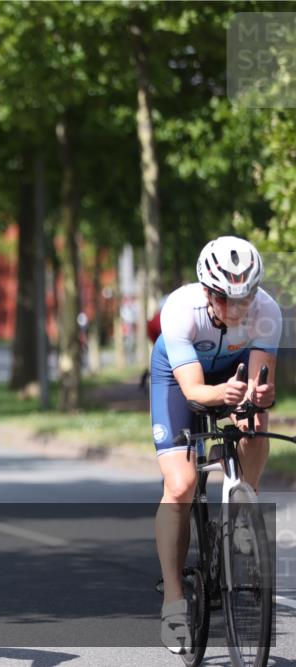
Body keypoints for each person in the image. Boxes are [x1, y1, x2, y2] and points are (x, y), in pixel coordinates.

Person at [150, 236, 280, 654]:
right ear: (208, 291)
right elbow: (193, 390)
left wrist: (256, 397)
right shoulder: (179, 310)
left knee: (257, 419)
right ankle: (173, 602)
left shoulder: (268, 312)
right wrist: (224, 392)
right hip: (178, 377)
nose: (240, 309)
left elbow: (260, 385)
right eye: (228, 299)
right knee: (181, 485)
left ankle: (244, 500)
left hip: (232, 370)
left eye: (247, 298)